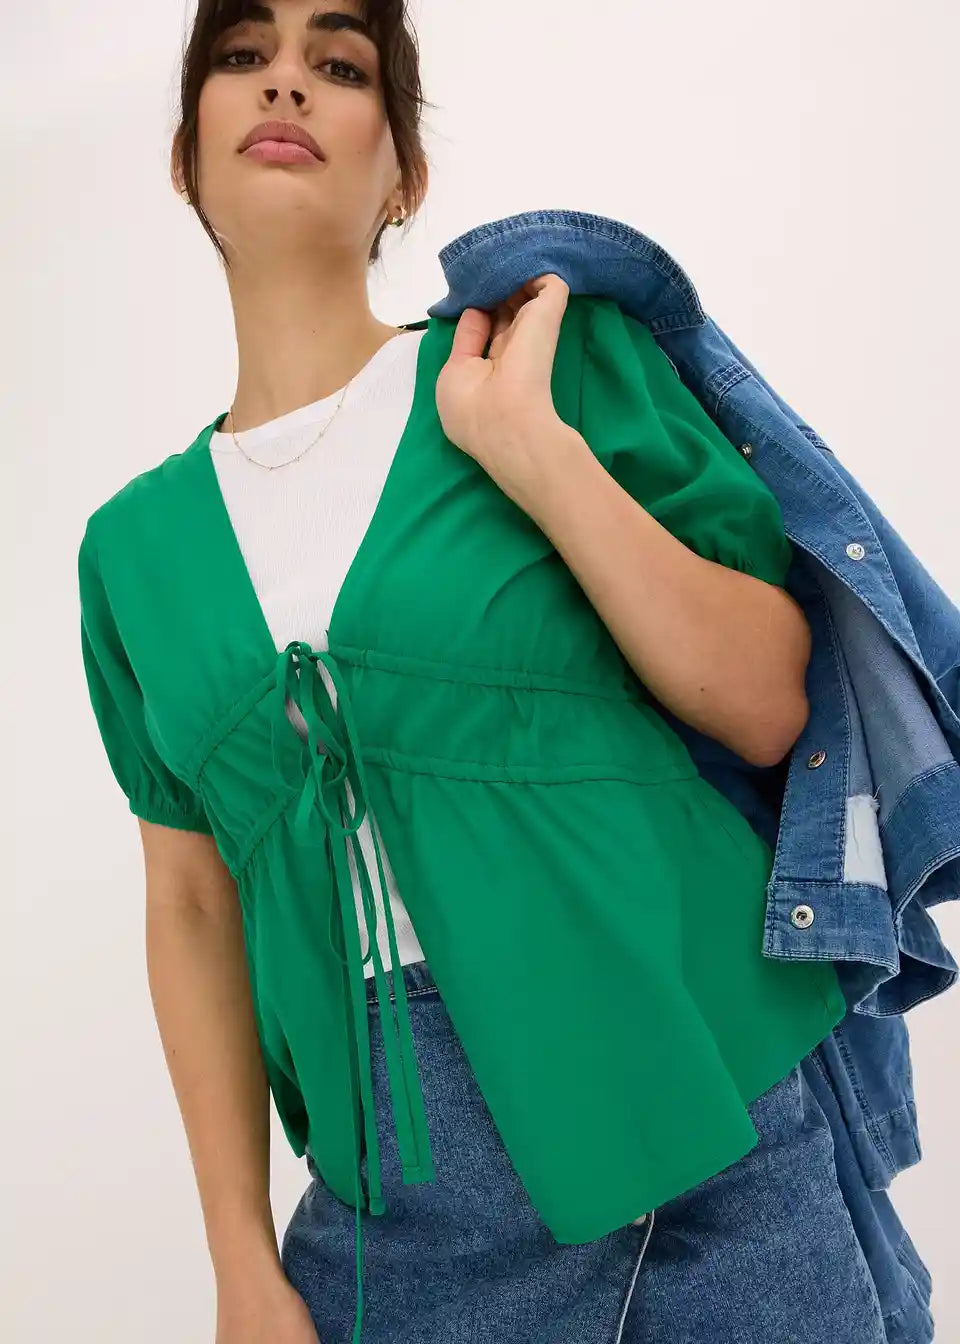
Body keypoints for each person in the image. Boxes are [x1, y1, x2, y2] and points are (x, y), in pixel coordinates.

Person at [77, 2, 894, 1342]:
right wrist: (239, 1261)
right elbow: (193, 903)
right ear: (185, 157)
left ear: (405, 174)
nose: (286, 84)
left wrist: (537, 454)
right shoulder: (132, 555)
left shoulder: (532, 364)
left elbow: (766, 705)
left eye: (339, 66)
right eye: (243, 57)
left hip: (711, 1124)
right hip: (403, 1196)